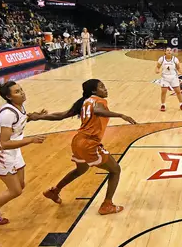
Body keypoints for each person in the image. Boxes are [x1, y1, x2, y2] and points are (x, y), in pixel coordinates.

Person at [28, 79, 137, 214]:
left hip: (78, 141)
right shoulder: (99, 101)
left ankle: (55, 191)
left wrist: (39, 117)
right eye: (102, 87)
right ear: (93, 91)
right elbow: (98, 110)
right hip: (89, 143)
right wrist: (120, 115)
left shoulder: (84, 102)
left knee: (80, 169)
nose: (105, 89)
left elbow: (61, 115)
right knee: (115, 170)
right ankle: (107, 205)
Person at [0, 81, 47, 235]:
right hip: (0, 153)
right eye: (17, 92)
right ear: (8, 97)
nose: (22, 93)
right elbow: (4, 143)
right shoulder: (7, 113)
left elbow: (21, 120)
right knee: (15, 190)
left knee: (20, 185)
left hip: (14, 151)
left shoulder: (18, 107)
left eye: (21, 89)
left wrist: (35, 116)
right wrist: (31, 140)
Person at [155, 47, 182, 112]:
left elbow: (178, 68)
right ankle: (163, 105)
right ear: (165, 52)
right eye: (167, 50)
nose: (169, 51)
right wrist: (157, 70)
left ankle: (181, 104)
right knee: (163, 92)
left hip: (173, 77)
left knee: (178, 91)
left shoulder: (175, 59)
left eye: (170, 50)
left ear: (172, 52)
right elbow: (157, 67)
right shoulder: (161, 59)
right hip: (164, 77)